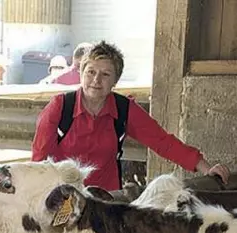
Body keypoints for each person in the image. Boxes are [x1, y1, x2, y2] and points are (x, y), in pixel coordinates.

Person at [32, 41, 230, 191]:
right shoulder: (60, 108)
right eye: (90, 71)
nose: (96, 80)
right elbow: (39, 160)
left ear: (115, 81)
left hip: (105, 200)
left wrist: (205, 167)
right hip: (62, 197)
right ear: (81, 73)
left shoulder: (124, 109)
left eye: (105, 74)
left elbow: (162, 142)